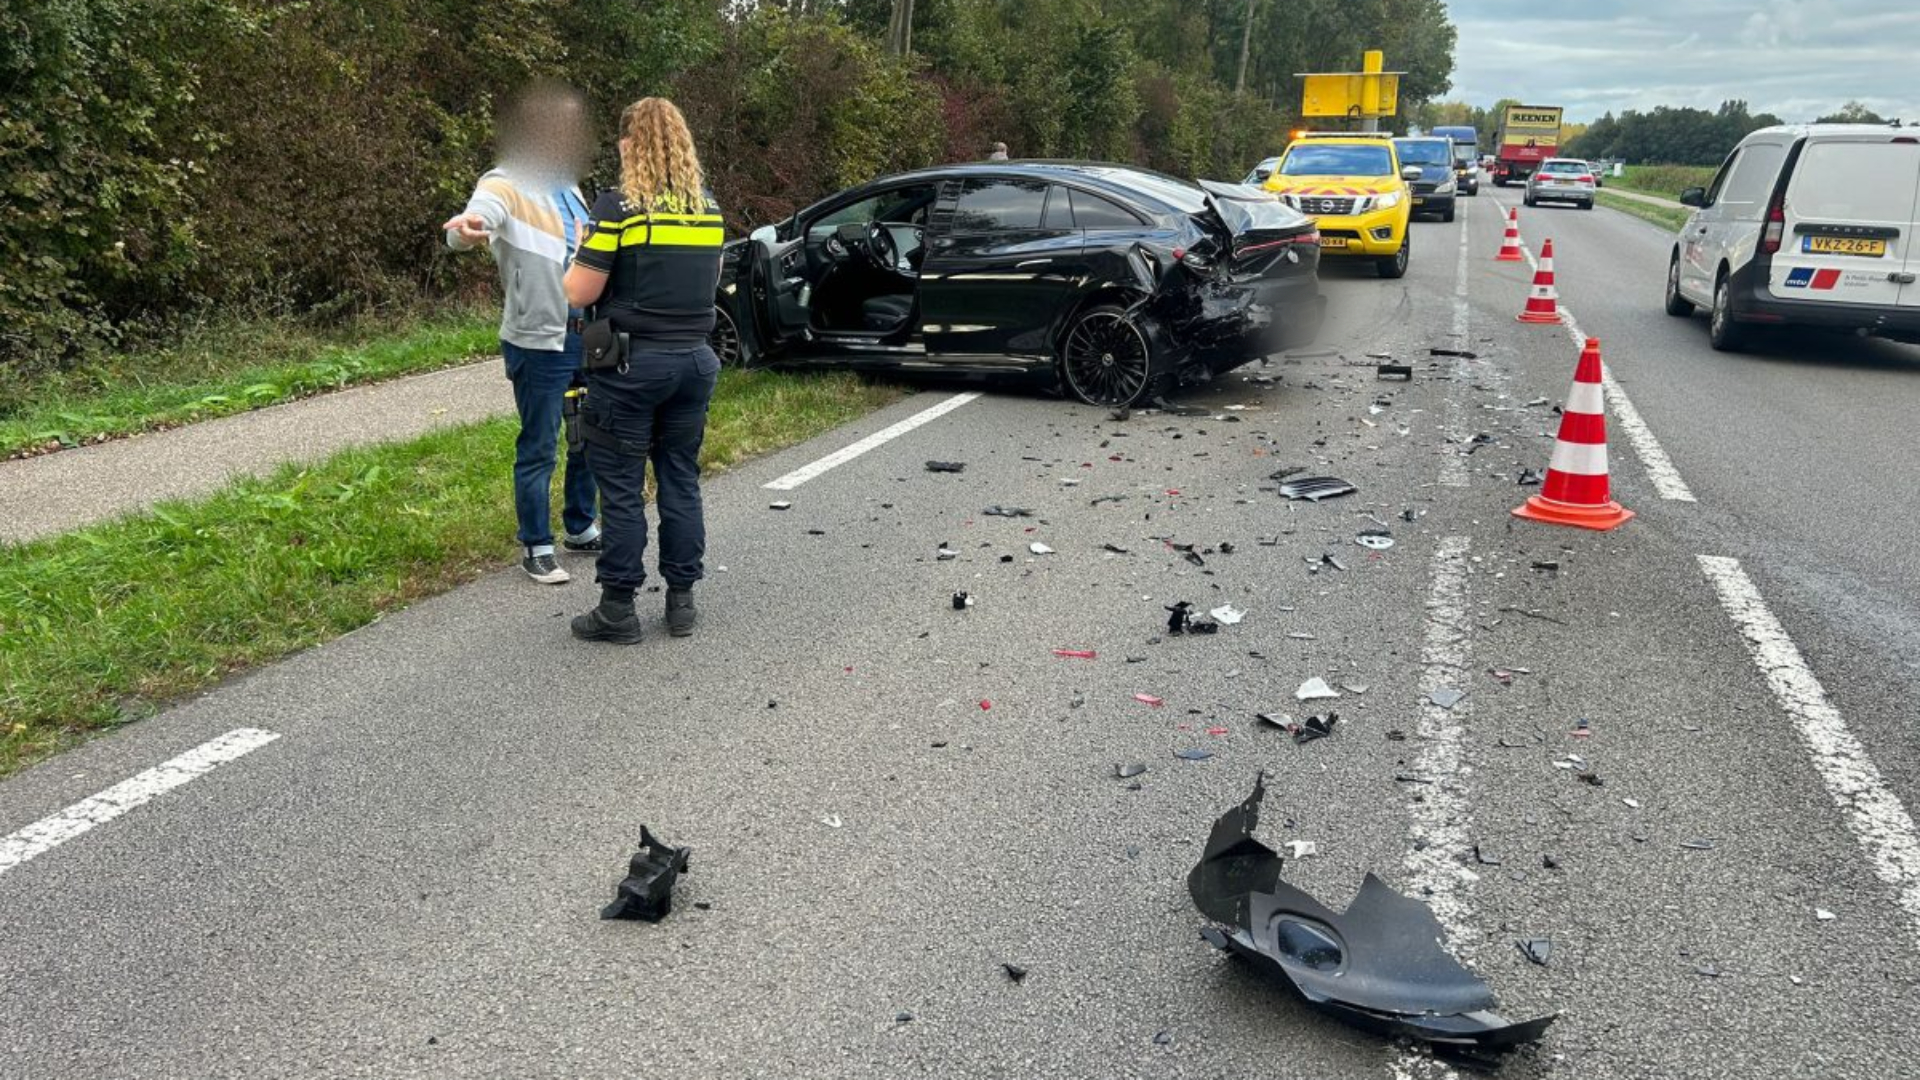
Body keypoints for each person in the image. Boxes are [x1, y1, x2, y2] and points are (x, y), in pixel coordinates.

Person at [562, 97, 724, 644]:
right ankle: (681, 601)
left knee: (623, 486)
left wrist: (577, 255)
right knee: (680, 476)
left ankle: (617, 609)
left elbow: (579, 291)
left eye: (622, 140)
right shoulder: (708, 210)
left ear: (632, 145)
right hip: (695, 362)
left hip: (631, 366)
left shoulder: (617, 209)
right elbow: (710, 279)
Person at [443, 81, 599, 586]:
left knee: (587, 438)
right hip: (537, 339)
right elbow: (470, 225)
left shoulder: (572, 187)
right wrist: (465, 230)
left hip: (586, 332)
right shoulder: (503, 182)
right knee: (540, 444)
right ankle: (537, 544)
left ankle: (580, 526)